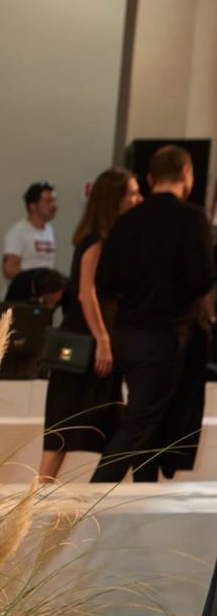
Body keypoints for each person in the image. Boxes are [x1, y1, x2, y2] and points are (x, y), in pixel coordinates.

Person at [91, 145, 215, 484]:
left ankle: (143, 494)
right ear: (186, 172)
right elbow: (202, 279)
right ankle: (87, 501)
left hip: (125, 335)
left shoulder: (126, 221)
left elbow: (105, 282)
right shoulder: (191, 219)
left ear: (150, 178)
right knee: (140, 422)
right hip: (164, 335)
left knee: (149, 420)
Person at [37, 170, 140, 481]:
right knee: (64, 423)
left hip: (99, 337)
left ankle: (86, 488)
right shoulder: (96, 240)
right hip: (88, 340)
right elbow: (85, 291)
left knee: (101, 423)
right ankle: (39, 491)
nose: (137, 198)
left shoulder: (111, 238)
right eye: (131, 193)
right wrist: (103, 340)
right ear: (114, 198)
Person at [1, 181, 58, 284]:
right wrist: (36, 282)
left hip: (44, 291)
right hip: (22, 292)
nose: (54, 206)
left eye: (54, 200)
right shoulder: (18, 231)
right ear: (33, 206)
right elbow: (9, 270)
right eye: (48, 201)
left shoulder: (49, 230)